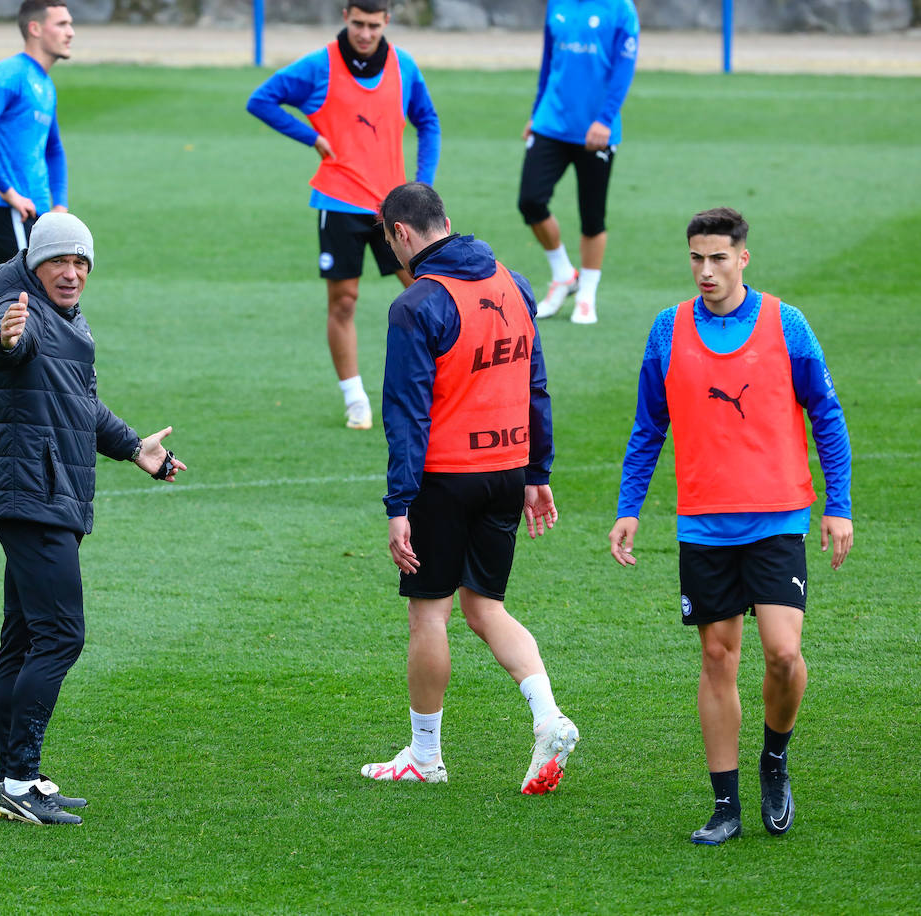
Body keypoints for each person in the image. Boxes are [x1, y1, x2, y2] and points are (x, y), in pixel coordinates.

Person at [608, 207, 853, 845]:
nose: (706, 270)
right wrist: (629, 508)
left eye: (718, 258)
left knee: (783, 653)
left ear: (744, 258)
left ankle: (775, 756)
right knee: (718, 656)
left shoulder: (785, 324)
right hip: (704, 524)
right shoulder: (668, 330)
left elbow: (826, 413)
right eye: (697, 258)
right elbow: (647, 426)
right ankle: (725, 805)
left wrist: (839, 504)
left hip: (776, 517)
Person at [361, 182, 579, 795]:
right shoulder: (514, 283)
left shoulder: (417, 305)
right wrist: (538, 473)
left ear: (401, 234)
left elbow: (406, 413)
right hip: (508, 470)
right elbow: (536, 383)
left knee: (429, 612)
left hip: (445, 479)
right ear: (447, 223)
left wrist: (399, 504)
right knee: (486, 608)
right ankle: (547, 715)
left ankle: (425, 756)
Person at [0, 212, 187, 826]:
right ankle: (18, 779)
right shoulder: (16, 311)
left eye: (81, 263)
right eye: (59, 262)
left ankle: (15, 778)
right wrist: (7, 339)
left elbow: (77, 403)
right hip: (34, 494)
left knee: (22, 640)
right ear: (35, 265)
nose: (71, 273)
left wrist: (134, 449)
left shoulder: (63, 315)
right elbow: (3, 345)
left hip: (43, 491)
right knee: (62, 635)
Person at [246, 1, 440, 430]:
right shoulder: (320, 66)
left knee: (429, 294)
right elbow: (261, 100)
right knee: (344, 302)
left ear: (386, 21)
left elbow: (428, 121)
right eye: (358, 24)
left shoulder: (403, 66)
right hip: (338, 204)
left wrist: (422, 185)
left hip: (395, 208)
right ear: (345, 18)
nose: (366, 33)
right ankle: (355, 398)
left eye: (374, 25)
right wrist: (311, 136)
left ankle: (439, 387)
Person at [518, 0, 639, 325]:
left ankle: (586, 294)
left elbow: (624, 68)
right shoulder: (556, 4)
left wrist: (605, 119)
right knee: (530, 201)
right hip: (551, 122)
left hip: (596, 131)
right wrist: (535, 113)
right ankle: (563, 273)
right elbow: (549, 61)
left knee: (592, 216)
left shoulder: (621, 9)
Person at [0, 0, 73, 269]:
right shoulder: (10, 73)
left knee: (37, 307)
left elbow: (53, 148)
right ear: (35, 28)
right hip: (10, 212)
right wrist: (8, 191)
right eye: (61, 24)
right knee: (22, 303)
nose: (70, 32)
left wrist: (59, 205)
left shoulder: (45, 84)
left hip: (36, 214)